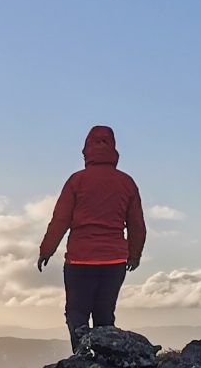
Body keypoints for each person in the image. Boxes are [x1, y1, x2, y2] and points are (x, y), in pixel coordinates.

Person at [37, 125, 146, 353]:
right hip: (114, 261)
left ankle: (82, 360)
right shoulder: (126, 183)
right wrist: (134, 254)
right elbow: (137, 224)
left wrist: (46, 250)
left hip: (80, 260)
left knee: (77, 313)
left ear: (86, 148)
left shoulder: (77, 181)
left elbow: (60, 220)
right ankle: (106, 363)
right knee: (104, 314)